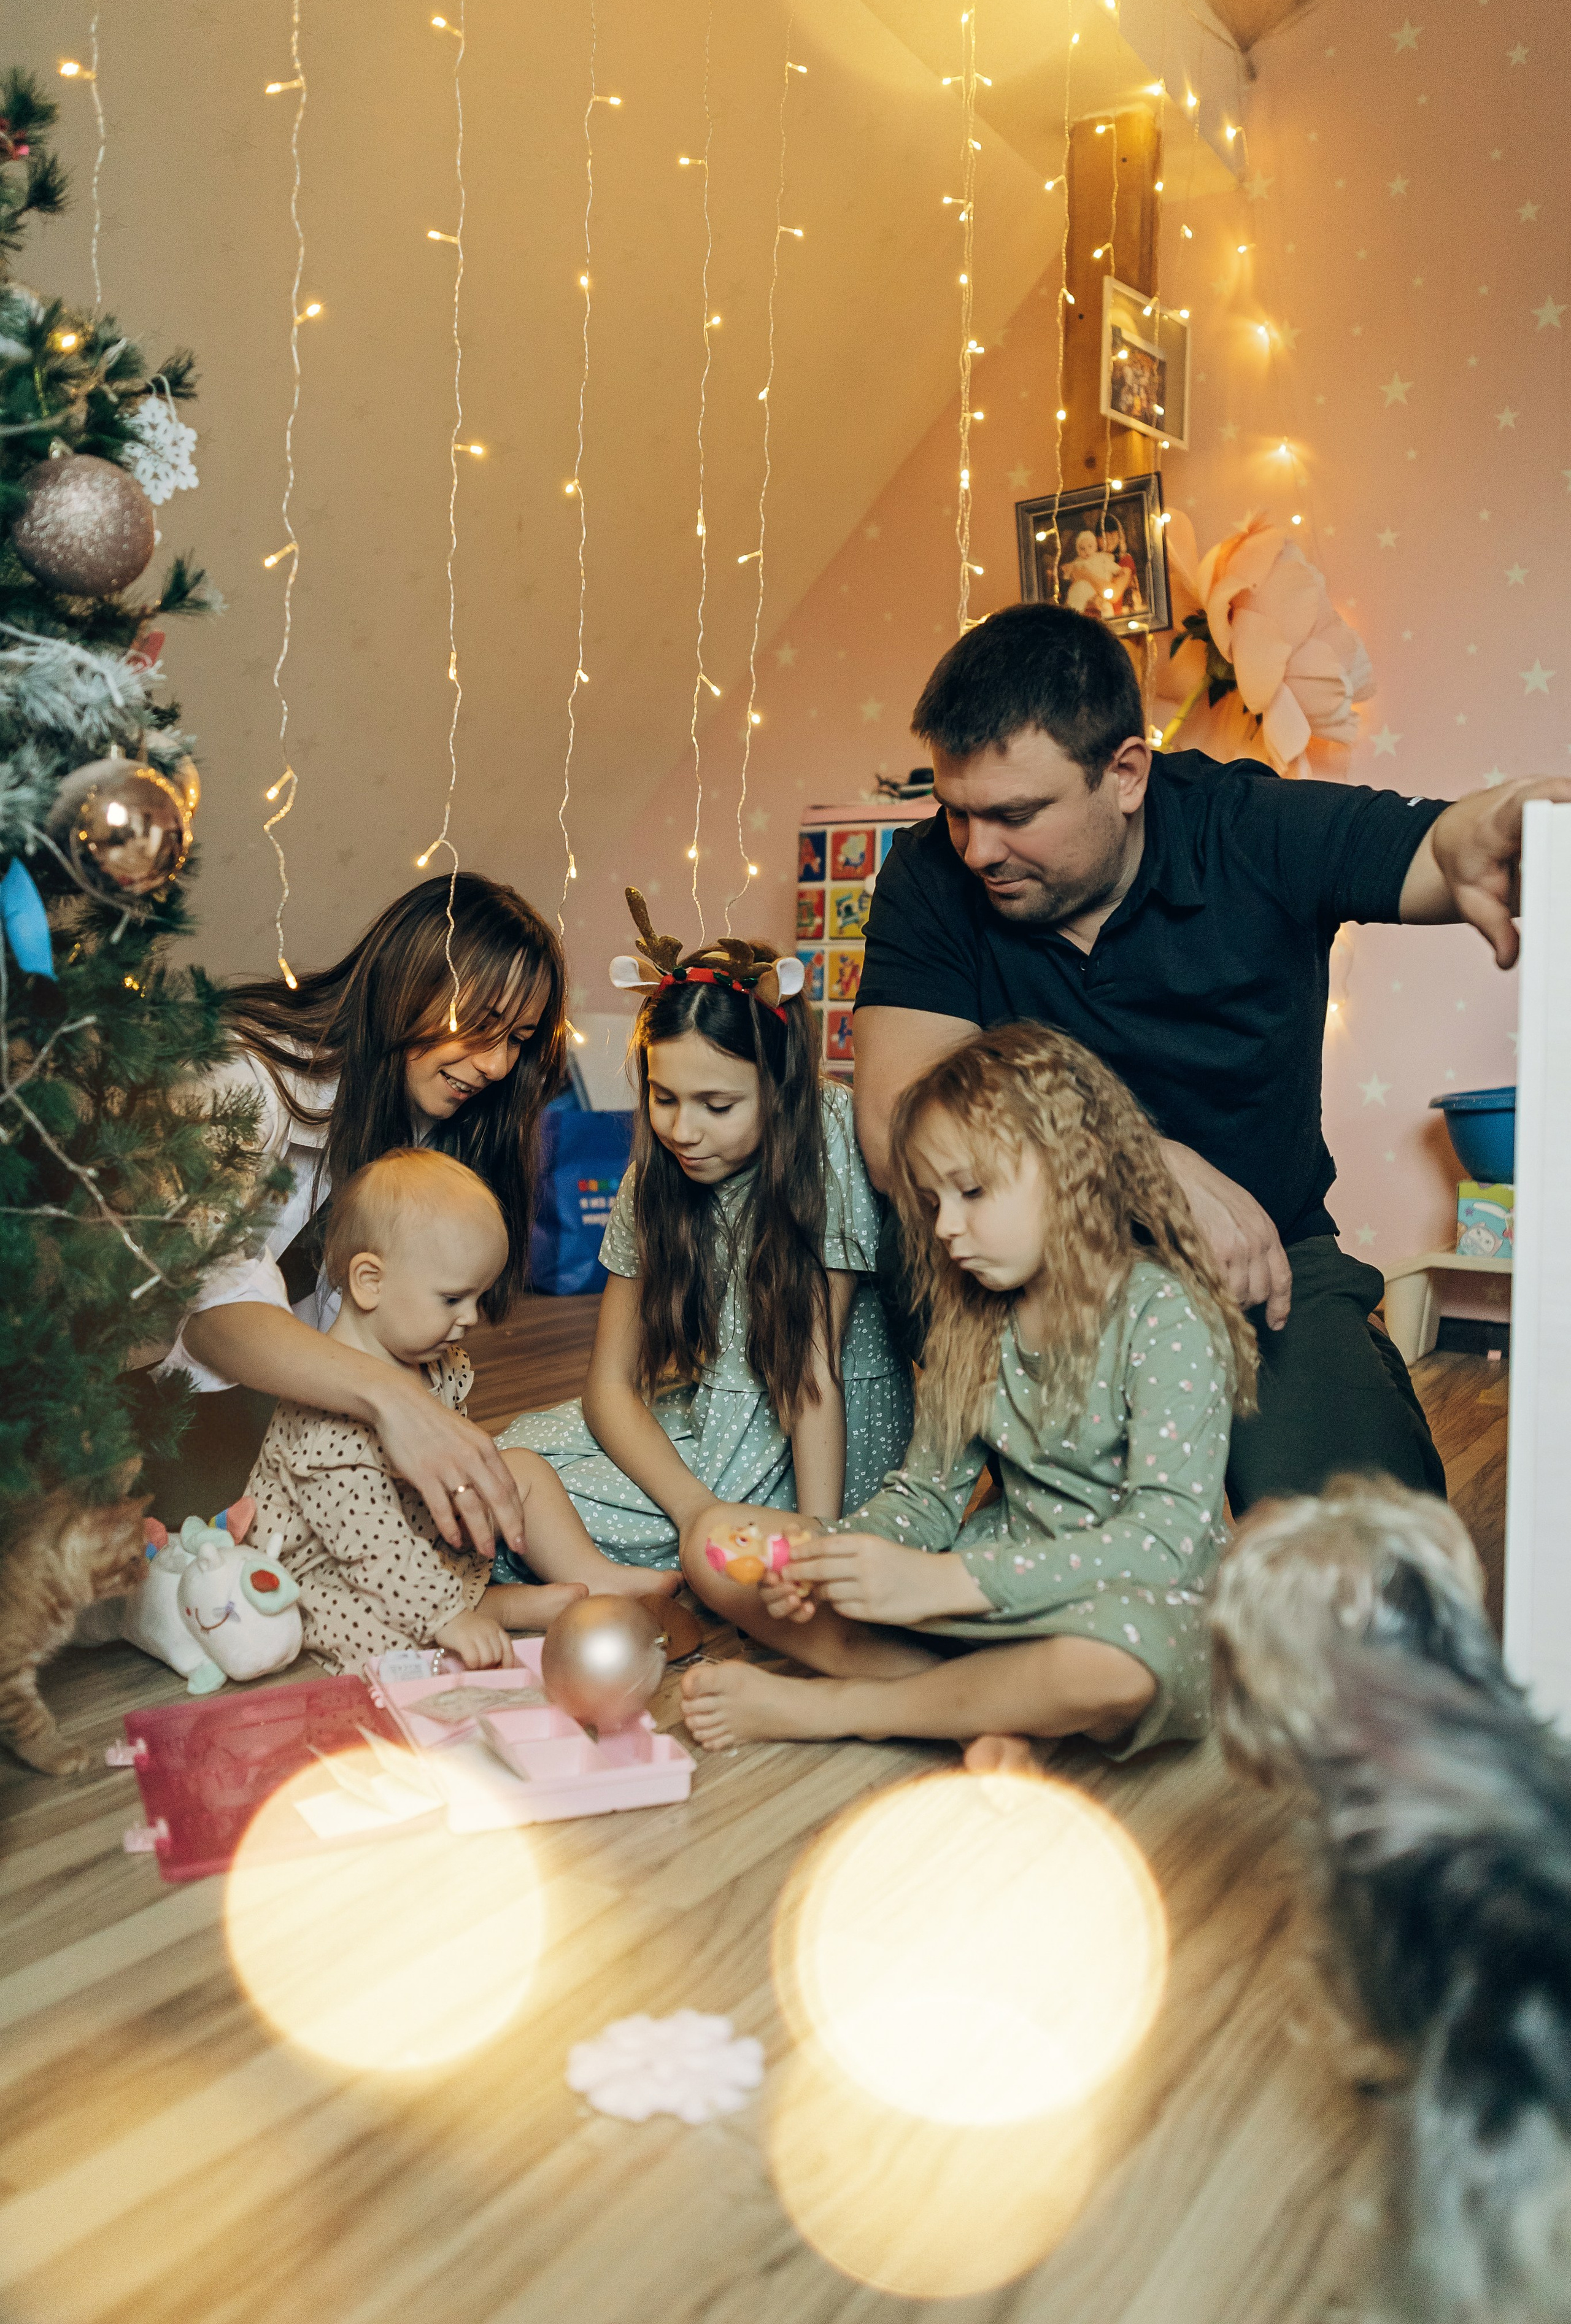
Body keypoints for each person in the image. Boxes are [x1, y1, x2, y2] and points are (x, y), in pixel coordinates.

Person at [851, 601, 1571, 1510]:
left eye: (1015, 814)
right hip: (1037, 1273)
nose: (977, 848)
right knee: (1092, 1560)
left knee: (1352, 1562)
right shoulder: (932, 873)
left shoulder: (1248, 824)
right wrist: (1132, 1161)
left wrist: (1462, 839)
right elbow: (894, 1124)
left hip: (1264, 1269)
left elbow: (1427, 848)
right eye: (954, 812)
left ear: (1124, 773)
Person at [677, 1024, 1255, 1760]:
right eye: (932, 1200)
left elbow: (1162, 1543)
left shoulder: (1166, 1315)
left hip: (1126, 1604)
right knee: (718, 1546)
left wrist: (941, 1582)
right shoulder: (974, 1317)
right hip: (985, 1584)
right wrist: (838, 1557)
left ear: (1070, 1167)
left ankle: (850, 1705)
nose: (946, 1227)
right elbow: (925, 1499)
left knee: (1111, 1664)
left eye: (972, 1191)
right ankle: (992, 1713)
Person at [137, 872, 566, 1556]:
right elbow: (208, 1307)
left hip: (275, 1403)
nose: (496, 1064)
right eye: (481, 1026)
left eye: (517, 1037)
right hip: (136, 1405)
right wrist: (392, 1403)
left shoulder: (427, 1114)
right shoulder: (241, 1074)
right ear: (407, 985)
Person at [492, 908, 913, 1573]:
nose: (683, 1130)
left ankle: (600, 1574)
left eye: (717, 1106)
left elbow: (810, 1379)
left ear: (779, 1090)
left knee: (522, 1519)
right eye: (664, 1097)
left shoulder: (827, 1134)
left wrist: (815, 1546)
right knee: (503, 1471)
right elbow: (609, 1385)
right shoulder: (656, 1169)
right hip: (708, 1422)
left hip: (815, 1448)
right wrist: (693, 1512)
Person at [247, 1149, 681, 1673]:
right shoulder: (327, 1422)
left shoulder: (433, 1361)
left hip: (416, 1527)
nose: (472, 1317)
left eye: (478, 1296)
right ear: (369, 1282)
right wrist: (447, 1617)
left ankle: (592, 1574)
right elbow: (372, 1549)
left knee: (519, 1467)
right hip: (333, 1567)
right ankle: (486, 1607)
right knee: (372, 1635)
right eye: (453, 1299)